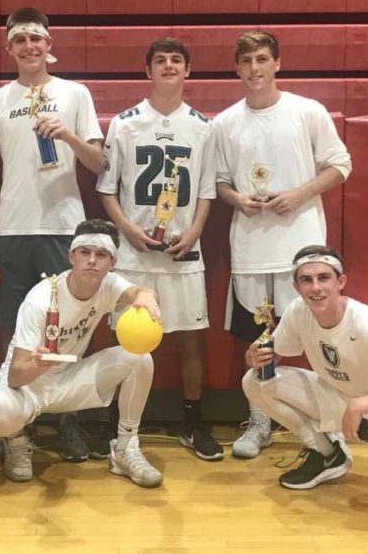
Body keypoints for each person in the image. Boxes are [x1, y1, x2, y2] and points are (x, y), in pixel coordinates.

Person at [0, 7, 105, 462]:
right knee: (13, 331)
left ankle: (68, 422)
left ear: (50, 46)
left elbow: (99, 164)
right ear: (9, 48)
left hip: (64, 230)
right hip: (10, 233)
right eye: (20, 40)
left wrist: (67, 136)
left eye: (36, 39)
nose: (29, 47)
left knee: (69, 331)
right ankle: (14, 433)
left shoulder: (75, 95)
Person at [212, 30, 352, 459]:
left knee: (316, 334)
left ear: (277, 63)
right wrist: (238, 198)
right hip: (251, 248)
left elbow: (340, 164)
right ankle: (259, 419)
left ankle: (330, 421)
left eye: (261, 59)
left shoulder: (307, 112)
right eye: (246, 61)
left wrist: (300, 193)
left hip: (301, 246)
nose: (254, 69)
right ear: (236, 68)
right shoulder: (224, 122)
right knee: (258, 337)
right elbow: (218, 182)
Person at [97, 38, 223, 461]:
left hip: (183, 250)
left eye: (177, 61)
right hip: (135, 254)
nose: (168, 66)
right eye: (160, 60)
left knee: (189, 341)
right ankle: (120, 429)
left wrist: (195, 233)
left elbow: (206, 191)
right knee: (127, 344)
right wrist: (129, 228)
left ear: (189, 71)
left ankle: (192, 423)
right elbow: (107, 190)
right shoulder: (126, 123)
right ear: (147, 71)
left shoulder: (205, 127)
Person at [243, 245, 368, 516]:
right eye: (306, 280)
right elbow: (274, 355)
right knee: (253, 381)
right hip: (335, 396)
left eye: (324, 278)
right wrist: (254, 357)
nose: (316, 288)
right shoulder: (298, 311)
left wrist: (360, 406)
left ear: (340, 282)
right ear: (296, 286)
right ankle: (326, 453)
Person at [0, 219, 164, 487]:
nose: (92, 261)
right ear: (71, 256)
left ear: (112, 262)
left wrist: (147, 296)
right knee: (0, 410)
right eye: (85, 252)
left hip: (69, 381)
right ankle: (17, 441)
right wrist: (40, 365)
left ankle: (126, 447)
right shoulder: (41, 298)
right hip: (30, 384)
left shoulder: (109, 285)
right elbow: (14, 376)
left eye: (101, 255)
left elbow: (139, 291)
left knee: (140, 359)